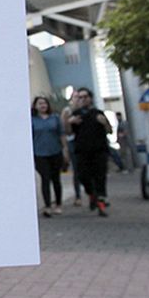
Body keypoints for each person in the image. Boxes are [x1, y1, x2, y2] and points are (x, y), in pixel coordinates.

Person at [67, 87, 113, 217]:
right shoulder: (76, 114)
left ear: (90, 98)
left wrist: (104, 123)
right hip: (82, 151)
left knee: (100, 177)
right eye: (80, 97)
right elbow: (68, 132)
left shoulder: (98, 113)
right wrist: (69, 123)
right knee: (82, 176)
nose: (82, 100)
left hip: (99, 150)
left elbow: (109, 131)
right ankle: (92, 194)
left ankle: (101, 204)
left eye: (85, 97)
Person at [31, 97, 67, 216]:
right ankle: (47, 206)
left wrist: (65, 149)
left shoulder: (55, 118)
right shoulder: (32, 120)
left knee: (56, 178)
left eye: (44, 103)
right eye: (40, 103)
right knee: (45, 178)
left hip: (55, 151)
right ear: (35, 106)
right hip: (39, 153)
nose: (43, 105)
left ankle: (58, 204)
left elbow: (61, 134)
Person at [60, 93, 82, 206]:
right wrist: (70, 122)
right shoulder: (67, 111)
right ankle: (78, 196)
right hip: (73, 141)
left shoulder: (85, 111)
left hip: (84, 142)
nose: (78, 100)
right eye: (76, 97)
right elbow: (64, 130)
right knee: (77, 170)